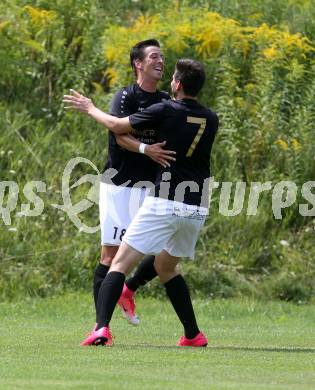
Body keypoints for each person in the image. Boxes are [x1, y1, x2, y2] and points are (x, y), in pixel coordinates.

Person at [63, 58, 219, 347]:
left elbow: (116, 124)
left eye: (173, 77)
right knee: (166, 267)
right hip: (196, 206)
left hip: (166, 200)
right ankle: (193, 335)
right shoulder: (212, 118)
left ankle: (101, 329)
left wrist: (90, 108)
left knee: (118, 264)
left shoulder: (166, 109)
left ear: (178, 84)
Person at [90, 39, 176, 326]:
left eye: (162, 57)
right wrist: (146, 149)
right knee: (110, 255)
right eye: (154, 56)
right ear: (138, 63)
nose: (160, 61)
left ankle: (129, 290)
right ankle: (101, 326)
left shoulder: (165, 101)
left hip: (152, 187)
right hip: (119, 185)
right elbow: (119, 135)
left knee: (167, 249)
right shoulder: (125, 97)